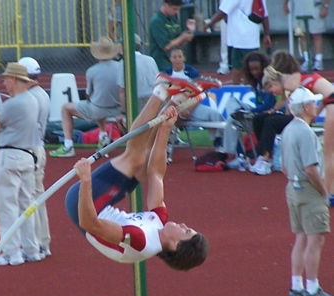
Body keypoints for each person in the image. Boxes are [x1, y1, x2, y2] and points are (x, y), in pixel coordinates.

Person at [64, 76, 209, 270]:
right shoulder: (159, 221)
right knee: (143, 165)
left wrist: (86, 182)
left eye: (186, 231)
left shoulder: (140, 240)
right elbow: (156, 173)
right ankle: (176, 99)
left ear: (175, 244)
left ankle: (161, 89)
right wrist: (165, 128)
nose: (183, 225)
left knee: (133, 157)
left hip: (84, 206)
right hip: (101, 206)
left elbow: (90, 224)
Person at [281, 86, 334, 296]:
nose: (316, 106)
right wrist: (323, 191)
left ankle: (296, 287)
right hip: (308, 189)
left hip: (293, 188)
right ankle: (312, 289)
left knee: (301, 238)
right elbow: (311, 169)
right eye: (313, 102)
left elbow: (284, 167)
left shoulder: (288, 130)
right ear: (305, 107)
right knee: (315, 240)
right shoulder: (305, 132)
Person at [263, 49, 334, 203]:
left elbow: (295, 106)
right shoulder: (300, 76)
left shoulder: (290, 82)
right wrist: (315, 114)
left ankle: (329, 193)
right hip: (330, 102)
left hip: (332, 105)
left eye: (272, 89)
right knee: (330, 152)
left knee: (329, 153)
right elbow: (324, 96)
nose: (273, 92)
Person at [0, 63, 41, 266]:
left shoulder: (12, 104)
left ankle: (12, 253)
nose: (4, 82)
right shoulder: (32, 100)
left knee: (7, 206)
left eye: (6, 79)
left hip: (9, 154)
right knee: (26, 204)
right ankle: (31, 249)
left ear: (15, 80)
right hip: (27, 155)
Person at [50, 36, 121, 158]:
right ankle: (103, 135)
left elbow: (89, 95)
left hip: (98, 109)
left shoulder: (92, 71)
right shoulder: (121, 67)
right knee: (99, 101)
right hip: (119, 109)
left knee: (66, 108)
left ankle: (68, 146)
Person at [18, 56, 52, 259]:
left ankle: (35, 243)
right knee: (37, 197)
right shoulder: (42, 95)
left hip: (31, 149)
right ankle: (42, 242)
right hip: (39, 147)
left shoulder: (30, 98)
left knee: (29, 199)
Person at [221, 51, 279, 168]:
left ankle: (241, 158)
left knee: (233, 121)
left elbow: (268, 105)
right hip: (256, 112)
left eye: (257, 69)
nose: (254, 72)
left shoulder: (269, 81)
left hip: (268, 114)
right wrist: (252, 111)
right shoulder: (256, 82)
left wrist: (252, 111)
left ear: (263, 67)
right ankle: (238, 115)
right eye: (251, 69)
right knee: (232, 103)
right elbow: (258, 103)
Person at [164, 46, 224, 147]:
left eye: (180, 56)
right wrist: (176, 109)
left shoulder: (192, 72)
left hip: (191, 106)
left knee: (214, 114)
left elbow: (200, 93)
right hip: (172, 107)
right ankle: (166, 144)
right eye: (174, 57)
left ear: (184, 58)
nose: (177, 59)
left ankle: (219, 143)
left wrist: (189, 110)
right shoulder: (166, 73)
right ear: (170, 59)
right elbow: (165, 94)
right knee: (160, 116)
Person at [204, 0, 271, 85]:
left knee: (239, 67)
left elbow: (223, 11)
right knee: (244, 67)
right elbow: (264, 15)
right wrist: (267, 34)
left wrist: (208, 25)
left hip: (238, 36)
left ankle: (239, 88)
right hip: (251, 36)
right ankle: (249, 87)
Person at [116, 34, 159, 117]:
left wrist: (123, 112)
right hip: (155, 100)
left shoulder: (124, 63)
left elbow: (122, 91)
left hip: (137, 104)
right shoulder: (150, 60)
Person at [149, 0, 196, 72]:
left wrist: (188, 34)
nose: (176, 12)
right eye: (174, 9)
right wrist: (183, 37)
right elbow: (166, 46)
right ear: (165, 5)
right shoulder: (157, 21)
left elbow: (179, 44)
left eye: (178, 9)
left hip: (174, 66)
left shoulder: (173, 20)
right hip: (161, 65)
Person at [284, 0, 328, 71]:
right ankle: (307, 60)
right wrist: (285, 4)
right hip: (299, 8)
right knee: (303, 35)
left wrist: (325, 6)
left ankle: (318, 60)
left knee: (316, 34)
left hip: (315, 7)